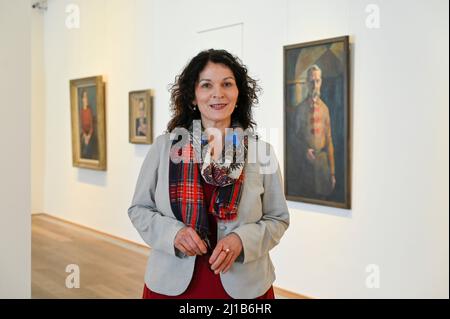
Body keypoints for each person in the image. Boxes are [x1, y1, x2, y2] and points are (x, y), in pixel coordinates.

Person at [128, 49, 290, 299]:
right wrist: (174, 234)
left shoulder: (261, 152)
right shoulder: (164, 148)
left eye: (227, 84)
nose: (218, 93)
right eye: (206, 85)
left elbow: (277, 218)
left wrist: (242, 240)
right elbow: (139, 209)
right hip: (173, 285)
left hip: (244, 287)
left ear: (239, 94)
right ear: (193, 96)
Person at [293, 64, 336, 198]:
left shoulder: (325, 109)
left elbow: (329, 140)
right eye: (312, 81)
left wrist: (332, 173)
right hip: (306, 166)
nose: (315, 85)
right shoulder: (300, 109)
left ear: (321, 82)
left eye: (317, 81)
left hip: (323, 165)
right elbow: (293, 138)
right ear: (307, 83)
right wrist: (305, 150)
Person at [79, 89, 98, 159]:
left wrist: (89, 136)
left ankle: (88, 158)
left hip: (90, 133)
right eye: (84, 97)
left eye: (86, 97)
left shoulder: (89, 110)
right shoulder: (81, 111)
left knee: (90, 143)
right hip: (84, 133)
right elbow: (81, 126)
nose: (86, 99)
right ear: (82, 99)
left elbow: (91, 125)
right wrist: (85, 135)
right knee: (82, 143)